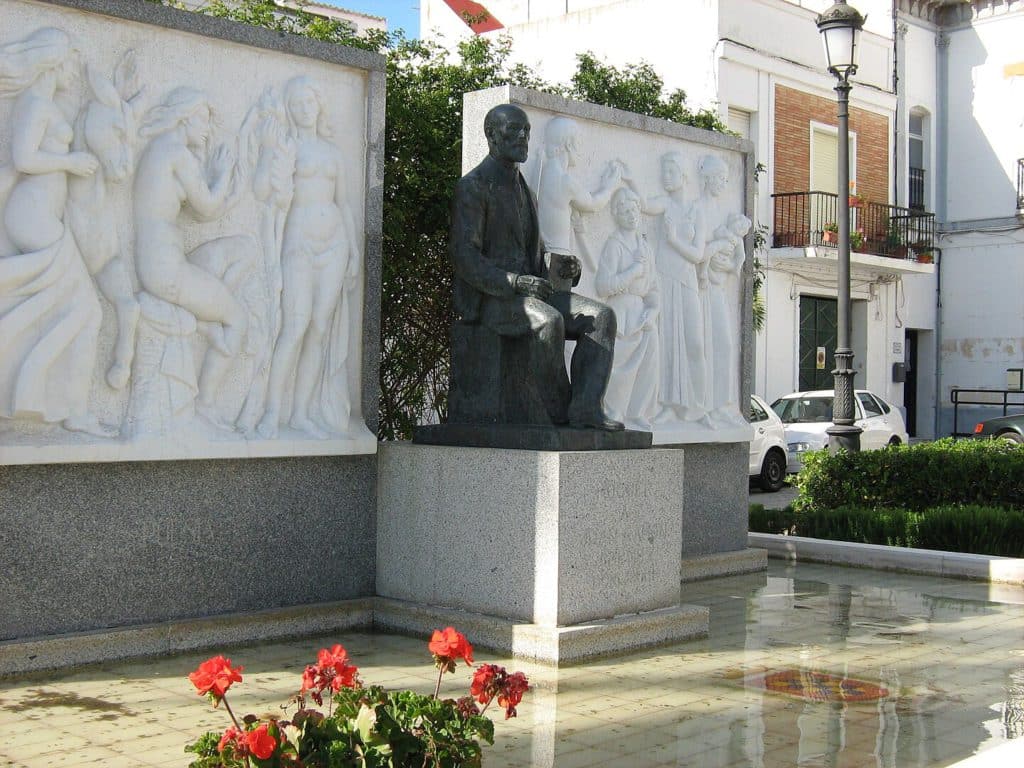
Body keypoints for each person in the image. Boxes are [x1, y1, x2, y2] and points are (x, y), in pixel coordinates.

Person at [450, 103, 621, 430]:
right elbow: (464, 257)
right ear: (491, 135)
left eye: (526, 131)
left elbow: (534, 255)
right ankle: (557, 413)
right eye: (514, 130)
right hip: (492, 300)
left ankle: (586, 408)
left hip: (529, 293)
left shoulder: (524, 190)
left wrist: (563, 268)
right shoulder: (472, 186)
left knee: (601, 317)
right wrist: (515, 282)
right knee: (549, 321)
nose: (523, 137)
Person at [0, 27, 112, 437]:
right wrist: (69, 162)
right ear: (52, 62)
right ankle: (73, 411)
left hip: (41, 216)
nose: (74, 71)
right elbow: (24, 158)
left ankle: (41, 396)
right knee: (88, 311)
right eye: (70, 62)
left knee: (69, 311)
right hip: (32, 218)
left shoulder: (43, 104)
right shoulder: (35, 105)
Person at [133, 86, 251, 427]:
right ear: (184, 116)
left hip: (164, 263)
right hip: (167, 271)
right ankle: (206, 404)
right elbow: (209, 207)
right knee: (238, 319)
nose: (207, 128)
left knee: (243, 249)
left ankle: (203, 321)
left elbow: (202, 212)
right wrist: (224, 173)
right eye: (203, 118)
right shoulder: (176, 153)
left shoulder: (160, 151)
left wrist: (231, 192)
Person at [257, 76, 360, 439]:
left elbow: (344, 203)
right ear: (290, 109)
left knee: (318, 329)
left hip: (334, 245)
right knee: (295, 327)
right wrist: (268, 153)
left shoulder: (333, 154)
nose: (303, 109)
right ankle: (272, 414)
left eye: (309, 102)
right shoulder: (285, 147)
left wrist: (355, 252)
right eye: (297, 104)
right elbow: (263, 191)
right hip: (299, 242)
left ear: (318, 105)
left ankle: (300, 414)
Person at [595, 188, 660, 430]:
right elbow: (602, 286)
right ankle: (614, 412)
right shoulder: (615, 245)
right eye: (624, 210)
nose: (631, 214)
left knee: (648, 367)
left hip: (643, 315)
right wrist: (631, 271)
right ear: (616, 215)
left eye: (633, 208)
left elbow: (654, 288)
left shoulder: (646, 248)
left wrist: (653, 310)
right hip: (621, 314)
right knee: (619, 368)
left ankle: (638, 413)